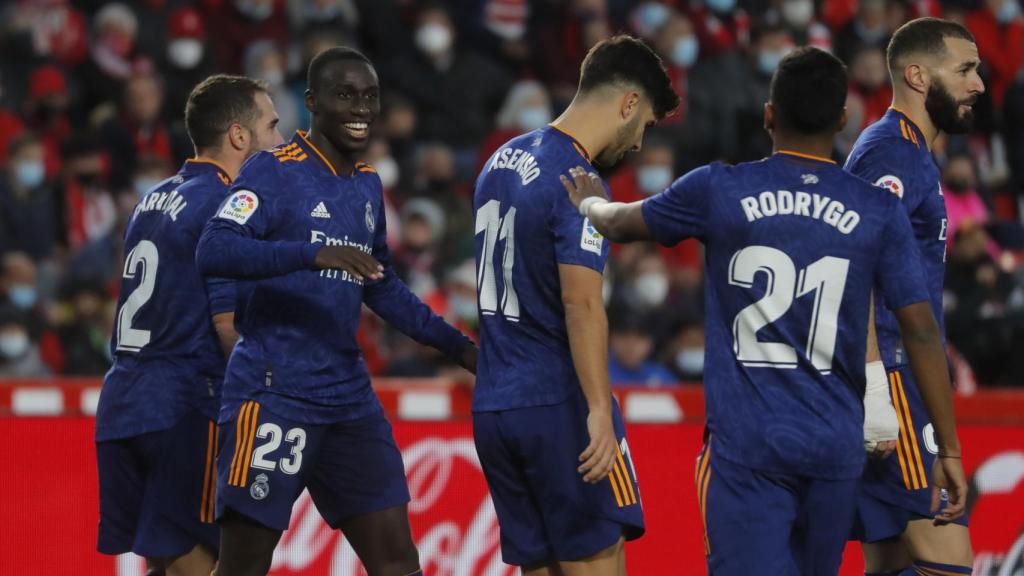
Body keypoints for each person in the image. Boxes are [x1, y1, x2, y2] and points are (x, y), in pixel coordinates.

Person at [561, 46, 968, 575]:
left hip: (747, 450)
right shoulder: (878, 210)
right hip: (833, 452)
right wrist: (951, 449)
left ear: (769, 115)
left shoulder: (719, 188)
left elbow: (618, 223)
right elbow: (918, 329)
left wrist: (590, 202)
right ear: (842, 120)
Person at [195, 47, 478, 576]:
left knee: (398, 560)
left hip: (349, 399)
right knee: (242, 566)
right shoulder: (271, 170)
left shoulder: (368, 183)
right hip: (274, 393)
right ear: (312, 103)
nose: (360, 108)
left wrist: (458, 347)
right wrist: (310, 252)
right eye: (345, 95)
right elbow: (213, 249)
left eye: (369, 96)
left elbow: (382, 285)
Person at [471, 35, 679, 576]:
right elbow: (582, 305)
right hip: (559, 404)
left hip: (495, 407)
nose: (638, 144)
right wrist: (599, 409)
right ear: (628, 103)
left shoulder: (499, 159)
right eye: (647, 124)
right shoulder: (579, 182)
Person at [95, 74, 284, 576]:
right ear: (240, 136)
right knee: (213, 563)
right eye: (272, 126)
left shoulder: (152, 198)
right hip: (183, 402)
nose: (281, 141)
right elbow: (228, 324)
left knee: (166, 561)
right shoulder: (230, 205)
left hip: (123, 401)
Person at [844, 18, 984, 575]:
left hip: (903, 376)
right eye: (965, 69)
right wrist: (877, 386)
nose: (978, 84)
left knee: (892, 565)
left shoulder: (909, 152)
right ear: (918, 75)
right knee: (949, 563)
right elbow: (858, 266)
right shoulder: (892, 154)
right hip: (897, 382)